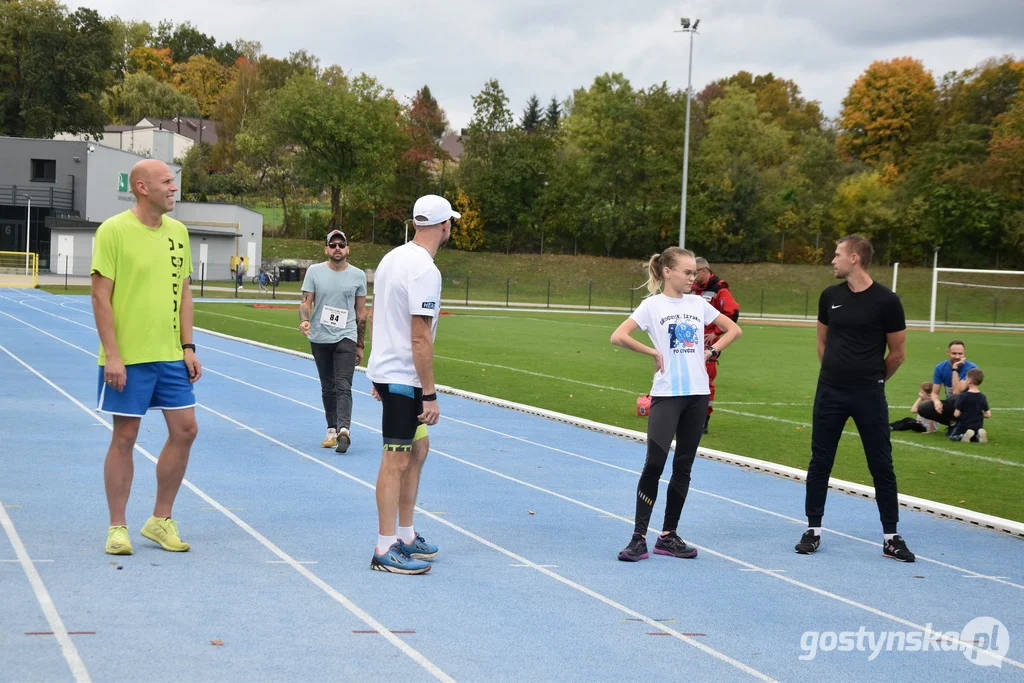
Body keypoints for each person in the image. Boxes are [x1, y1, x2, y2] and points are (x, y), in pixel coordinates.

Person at [90, 159, 202, 556]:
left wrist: (188, 347)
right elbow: (100, 297)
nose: (174, 188)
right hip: (129, 357)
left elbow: (185, 293)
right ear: (142, 187)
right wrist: (114, 356)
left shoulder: (179, 233)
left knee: (186, 429)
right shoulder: (113, 231)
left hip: (170, 355)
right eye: (167, 182)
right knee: (125, 436)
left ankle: (159, 519)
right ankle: (117, 527)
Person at [612, 247, 742, 562]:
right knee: (654, 465)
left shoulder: (699, 303)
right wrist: (653, 353)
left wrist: (712, 352)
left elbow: (734, 329)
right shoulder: (651, 305)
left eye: (694, 272)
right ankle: (638, 538)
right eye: (686, 272)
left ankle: (668, 536)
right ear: (668, 271)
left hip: (698, 395)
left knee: (683, 465)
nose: (692, 277)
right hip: (667, 394)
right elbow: (618, 336)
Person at [795, 235, 914, 562]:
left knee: (881, 463)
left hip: (869, 394)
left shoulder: (887, 301)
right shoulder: (829, 296)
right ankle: (813, 530)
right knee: (820, 461)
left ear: (855, 258)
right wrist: (834, 373)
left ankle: (891, 536)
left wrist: (873, 380)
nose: (832, 261)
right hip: (830, 392)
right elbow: (822, 342)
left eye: (837, 255)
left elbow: (898, 354)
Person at [365, 194, 456, 574]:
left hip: (391, 373)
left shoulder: (393, 257)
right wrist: (430, 393)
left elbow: (376, 313)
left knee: (418, 451)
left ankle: (405, 534)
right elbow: (420, 336)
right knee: (397, 459)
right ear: (444, 226)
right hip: (404, 377)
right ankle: (384, 547)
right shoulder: (424, 269)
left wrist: (377, 368)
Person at [299, 230, 367, 453]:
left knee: (343, 384)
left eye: (341, 244)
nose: (337, 248)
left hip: (346, 335)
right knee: (327, 385)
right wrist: (305, 321)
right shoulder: (314, 272)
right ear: (326, 249)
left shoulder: (358, 276)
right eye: (333, 244)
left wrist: (360, 344)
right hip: (320, 336)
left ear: (348, 249)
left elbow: (360, 313)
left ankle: (344, 429)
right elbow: (306, 302)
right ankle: (331, 428)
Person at [691, 257, 740, 434]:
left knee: (706, 381)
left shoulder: (719, 289)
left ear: (704, 271)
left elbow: (732, 312)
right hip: (691, 341)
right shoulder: (695, 289)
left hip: (708, 345)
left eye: (694, 272)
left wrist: (716, 332)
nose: (692, 276)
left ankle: (703, 420)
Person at [915, 340, 979, 432]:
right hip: (952, 403)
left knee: (955, 397)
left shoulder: (971, 368)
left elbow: (957, 391)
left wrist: (955, 369)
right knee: (923, 408)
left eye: (960, 354)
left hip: (968, 405)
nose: (957, 356)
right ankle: (953, 424)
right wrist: (936, 401)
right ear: (947, 352)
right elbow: (934, 392)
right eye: (954, 353)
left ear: (964, 353)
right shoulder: (940, 367)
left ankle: (965, 425)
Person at [951, 369, 991, 443]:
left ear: (969, 380)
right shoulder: (982, 397)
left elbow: (956, 414)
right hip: (977, 425)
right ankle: (978, 436)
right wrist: (978, 415)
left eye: (966, 378)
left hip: (964, 425)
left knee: (953, 436)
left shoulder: (963, 396)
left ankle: (964, 436)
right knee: (974, 434)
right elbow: (988, 415)